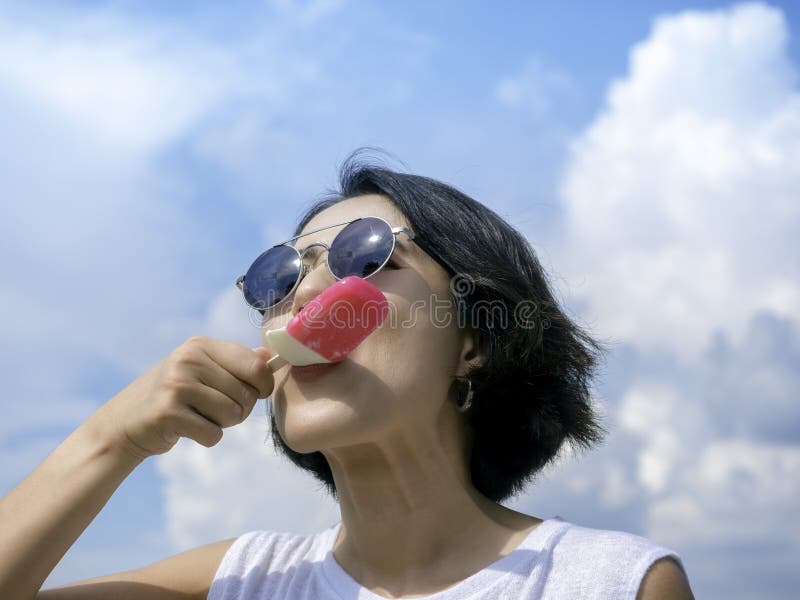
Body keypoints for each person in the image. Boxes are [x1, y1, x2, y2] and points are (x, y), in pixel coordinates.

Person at [0, 152, 695, 599]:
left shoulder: (613, 583)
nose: (304, 296)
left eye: (364, 257)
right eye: (282, 275)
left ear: (473, 342)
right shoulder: (239, 584)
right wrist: (109, 439)